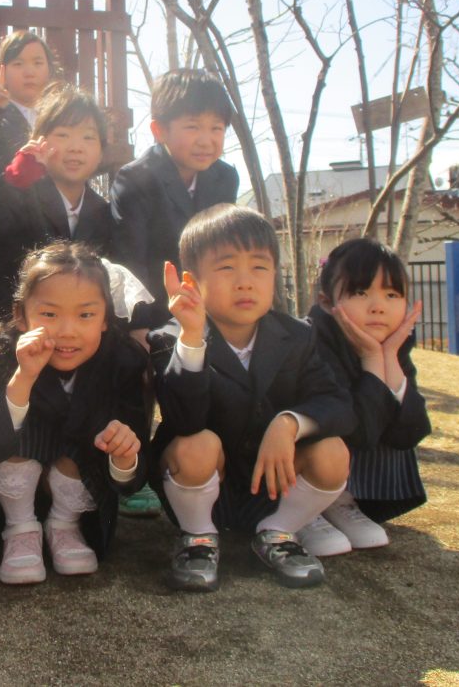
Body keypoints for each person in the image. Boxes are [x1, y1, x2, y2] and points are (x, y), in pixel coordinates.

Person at [149, 204, 355, 590]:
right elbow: (184, 421)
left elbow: (338, 403)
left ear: (275, 274)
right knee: (197, 444)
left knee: (332, 452)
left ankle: (278, 532)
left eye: (259, 267)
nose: (245, 282)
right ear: (192, 281)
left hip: (274, 485)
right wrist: (192, 338)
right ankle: (198, 538)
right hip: (204, 485)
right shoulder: (170, 338)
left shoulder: (298, 336)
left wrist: (289, 423)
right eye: (226, 267)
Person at [0, 243, 149, 584]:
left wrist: (124, 457)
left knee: (92, 440)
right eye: (49, 315)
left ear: (105, 318)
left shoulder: (123, 363)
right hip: (11, 498)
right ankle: (20, 529)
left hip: (84, 502)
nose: (67, 331)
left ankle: (65, 527)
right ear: (21, 315)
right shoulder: (1, 353)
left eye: (86, 315)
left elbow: (133, 480)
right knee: (17, 432)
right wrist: (23, 378)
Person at [300, 237, 428, 556]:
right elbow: (353, 430)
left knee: (391, 405)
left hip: (352, 470)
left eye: (391, 294)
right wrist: (372, 360)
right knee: (336, 425)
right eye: (360, 292)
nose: (378, 306)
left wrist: (388, 360)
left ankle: (344, 501)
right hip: (298, 465)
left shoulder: (393, 345)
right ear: (326, 302)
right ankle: (307, 506)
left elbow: (409, 433)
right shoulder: (308, 342)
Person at [0, 85, 113, 314]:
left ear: (101, 152)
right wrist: (15, 178)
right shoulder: (20, 194)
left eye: (88, 137)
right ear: (39, 141)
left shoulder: (103, 212)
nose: (76, 148)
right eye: (63, 135)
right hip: (17, 322)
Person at [110, 69, 239, 330]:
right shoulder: (135, 179)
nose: (206, 141)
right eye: (193, 127)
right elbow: (130, 263)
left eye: (216, 128)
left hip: (210, 311)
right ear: (159, 130)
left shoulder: (225, 178)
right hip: (156, 315)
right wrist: (139, 328)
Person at [0, 31, 56, 178]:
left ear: (49, 70)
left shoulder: (58, 117)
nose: (29, 72)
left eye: (38, 63)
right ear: (3, 71)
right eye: (18, 64)